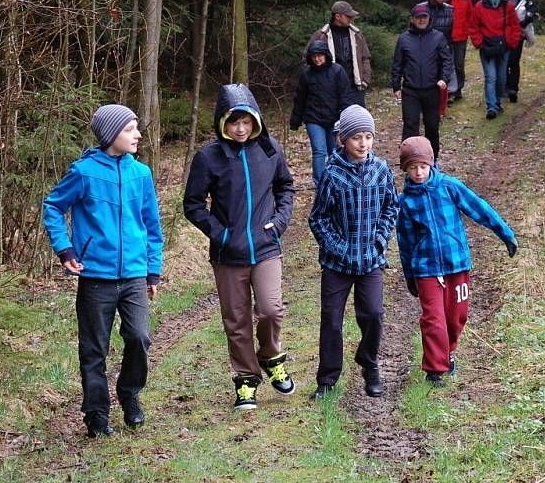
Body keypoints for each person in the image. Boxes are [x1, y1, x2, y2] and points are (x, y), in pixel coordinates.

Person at [42, 104, 164, 438]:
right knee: (94, 349)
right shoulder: (84, 172)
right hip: (96, 276)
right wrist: (64, 249)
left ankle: (130, 393)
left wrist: (153, 271)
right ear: (111, 134)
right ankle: (96, 414)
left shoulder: (142, 174)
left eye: (136, 128)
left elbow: (152, 225)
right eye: (130, 129)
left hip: (135, 275)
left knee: (139, 338)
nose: (137, 135)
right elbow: (53, 206)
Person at [184, 84, 296, 411]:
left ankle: (271, 355)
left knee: (271, 309)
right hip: (228, 255)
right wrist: (220, 233)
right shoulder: (209, 157)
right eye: (235, 122)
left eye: (247, 121)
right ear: (223, 122)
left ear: (256, 120)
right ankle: (246, 380)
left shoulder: (270, 149)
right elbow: (193, 204)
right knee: (236, 319)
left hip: (265, 248)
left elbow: (286, 187)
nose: (242, 128)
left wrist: (279, 222)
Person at [395, 136, 517, 386]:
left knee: (455, 317)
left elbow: (479, 208)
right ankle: (435, 369)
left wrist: (505, 233)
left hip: (456, 264)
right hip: (426, 268)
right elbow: (405, 241)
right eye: (412, 168)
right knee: (433, 318)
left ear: (431, 164)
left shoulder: (449, 186)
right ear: (405, 170)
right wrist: (410, 276)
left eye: (422, 166)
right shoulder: (405, 202)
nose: (418, 173)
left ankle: (447, 352)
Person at [308, 104, 399, 400]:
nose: (363, 143)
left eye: (368, 137)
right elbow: (318, 218)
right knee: (332, 319)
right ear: (343, 140)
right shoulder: (332, 175)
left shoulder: (381, 170)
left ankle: (369, 363)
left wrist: (380, 240)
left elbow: (391, 207)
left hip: (371, 259)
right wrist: (340, 247)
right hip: (338, 263)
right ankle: (327, 379)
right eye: (356, 137)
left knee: (373, 313)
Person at [390, 4, 453, 161]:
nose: (421, 20)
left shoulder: (438, 37)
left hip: (432, 89)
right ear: (412, 19)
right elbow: (397, 63)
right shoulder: (404, 39)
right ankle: (409, 160)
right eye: (418, 18)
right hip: (410, 90)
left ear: (429, 18)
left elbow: (447, 60)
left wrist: (444, 79)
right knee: (410, 126)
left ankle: (432, 161)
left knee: (432, 126)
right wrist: (396, 85)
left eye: (424, 17)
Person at [290, 40, 352, 186]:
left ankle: (338, 180)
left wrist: (345, 115)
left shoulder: (337, 71)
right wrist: (295, 120)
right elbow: (300, 99)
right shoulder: (306, 75)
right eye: (314, 56)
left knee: (335, 151)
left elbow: (345, 95)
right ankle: (320, 184)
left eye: (320, 56)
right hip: (313, 118)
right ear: (310, 58)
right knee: (319, 151)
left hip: (334, 118)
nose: (317, 59)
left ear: (326, 55)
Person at [469, 0, 522, 120]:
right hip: (487, 47)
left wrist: (510, 42)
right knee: (490, 77)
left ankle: (497, 103)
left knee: (501, 78)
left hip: (503, 47)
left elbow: (515, 26)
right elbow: (473, 27)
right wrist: (479, 43)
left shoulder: (508, 6)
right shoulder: (479, 6)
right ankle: (491, 107)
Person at [307, 0, 372, 107]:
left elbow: (365, 57)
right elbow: (308, 59)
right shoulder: (321, 36)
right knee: (335, 121)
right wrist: (318, 83)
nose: (351, 18)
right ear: (337, 16)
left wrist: (365, 80)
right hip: (330, 89)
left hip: (355, 88)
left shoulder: (357, 34)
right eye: (348, 16)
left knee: (357, 121)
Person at [495, 0, 536, 103]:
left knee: (514, 60)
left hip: (517, 31)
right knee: (503, 61)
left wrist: (526, 21)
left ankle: (513, 89)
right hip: (501, 32)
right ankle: (505, 87)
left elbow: (531, 8)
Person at [416, 0, 454, 115]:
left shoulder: (450, 9)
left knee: (443, 78)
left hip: (444, 47)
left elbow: (452, 30)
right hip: (425, 48)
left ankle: (441, 110)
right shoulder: (421, 9)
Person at [446, 0, 478, 101]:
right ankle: (450, 91)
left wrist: (472, 34)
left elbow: (471, 17)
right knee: (449, 64)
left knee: (459, 64)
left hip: (461, 37)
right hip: (446, 36)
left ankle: (458, 88)